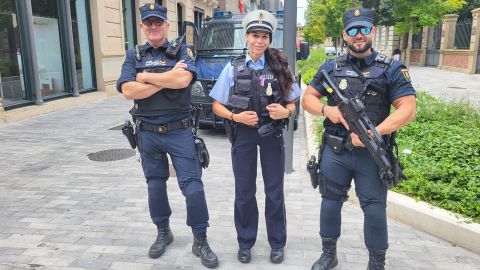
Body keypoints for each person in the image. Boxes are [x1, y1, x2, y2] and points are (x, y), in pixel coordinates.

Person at [301, 8, 416, 270]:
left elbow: (408, 108)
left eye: (364, 29)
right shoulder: (331, 67)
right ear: (345, 34)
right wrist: (326, 110)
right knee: (330, 203)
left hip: (371, 154)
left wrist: (375, 133)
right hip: (336, 150)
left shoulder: (392, 68)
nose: (359, 35)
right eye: (353, 30)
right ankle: (328, 254)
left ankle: (377, 263)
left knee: (374, 209)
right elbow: (308, 97)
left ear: (372, 32)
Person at [116, 3, 218, 268]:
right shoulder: (133, 54)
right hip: (147, 133)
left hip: (179, 130)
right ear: (142, 26)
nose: (153, 27)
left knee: (193, 186)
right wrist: (166, 77)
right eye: (148, 22)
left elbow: (183, 81)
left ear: (166, 24)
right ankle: (163, 232)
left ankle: (200, 238)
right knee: (155, 185)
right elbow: (128, 91)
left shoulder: (182, 50)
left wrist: (145, 77)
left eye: (157, 22)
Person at [209, 10, 301, 264]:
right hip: (244, 136)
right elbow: (216, 105)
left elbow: (293, 104)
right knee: (244, 191)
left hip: (271, 135)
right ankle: (245, 242)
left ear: (269, 40)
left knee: (274, 192)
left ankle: (277, 243)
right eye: (254, 35)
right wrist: (236, 117)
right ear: (246, 37)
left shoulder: (280, 68)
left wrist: (285, 111)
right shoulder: (233, 67)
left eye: (264, 36)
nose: (259, 41)